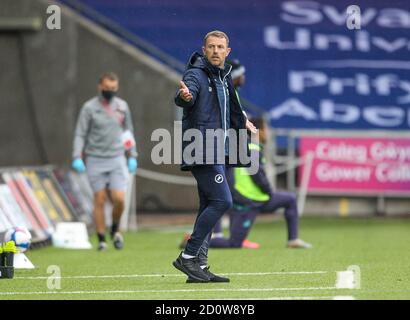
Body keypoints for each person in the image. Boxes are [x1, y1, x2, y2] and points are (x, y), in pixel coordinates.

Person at [172, 30, 257, 283]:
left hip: (218, 149)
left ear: (227, 51)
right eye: (212, 47)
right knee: (223, 202)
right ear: (205, 49)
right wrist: (184, 97)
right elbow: (186, 96)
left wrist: (243, 121)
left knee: (207, 206)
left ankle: (200, 264)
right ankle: (187, 257)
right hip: (202, 149)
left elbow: (232, 104)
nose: (216, 51)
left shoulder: (224, 77)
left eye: (221, 47)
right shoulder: (195, 74)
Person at [209, 117, 312, 249]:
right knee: (234, 243)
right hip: (250, 200)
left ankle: (293, 240)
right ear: (259, 131)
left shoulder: (243, 147)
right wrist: (268, 190)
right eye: (267, 128)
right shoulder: (252, 147)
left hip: (251, 199)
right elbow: (255, 173)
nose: (268, 132)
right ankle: (194, 241)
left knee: (290, 199)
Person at [72, 72, 138, 251]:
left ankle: (115, 229)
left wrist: (132, 154)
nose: (110, 91)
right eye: (107, 88)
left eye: (113, 89)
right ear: (100, 87)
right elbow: (80, 133)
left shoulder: (122, 106)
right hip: (95, 158)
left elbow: (127, 131)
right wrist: (77, 155)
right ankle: (101, 239)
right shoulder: (89, 108)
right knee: (99, 198)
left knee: (119, 199)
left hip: (117, 158)